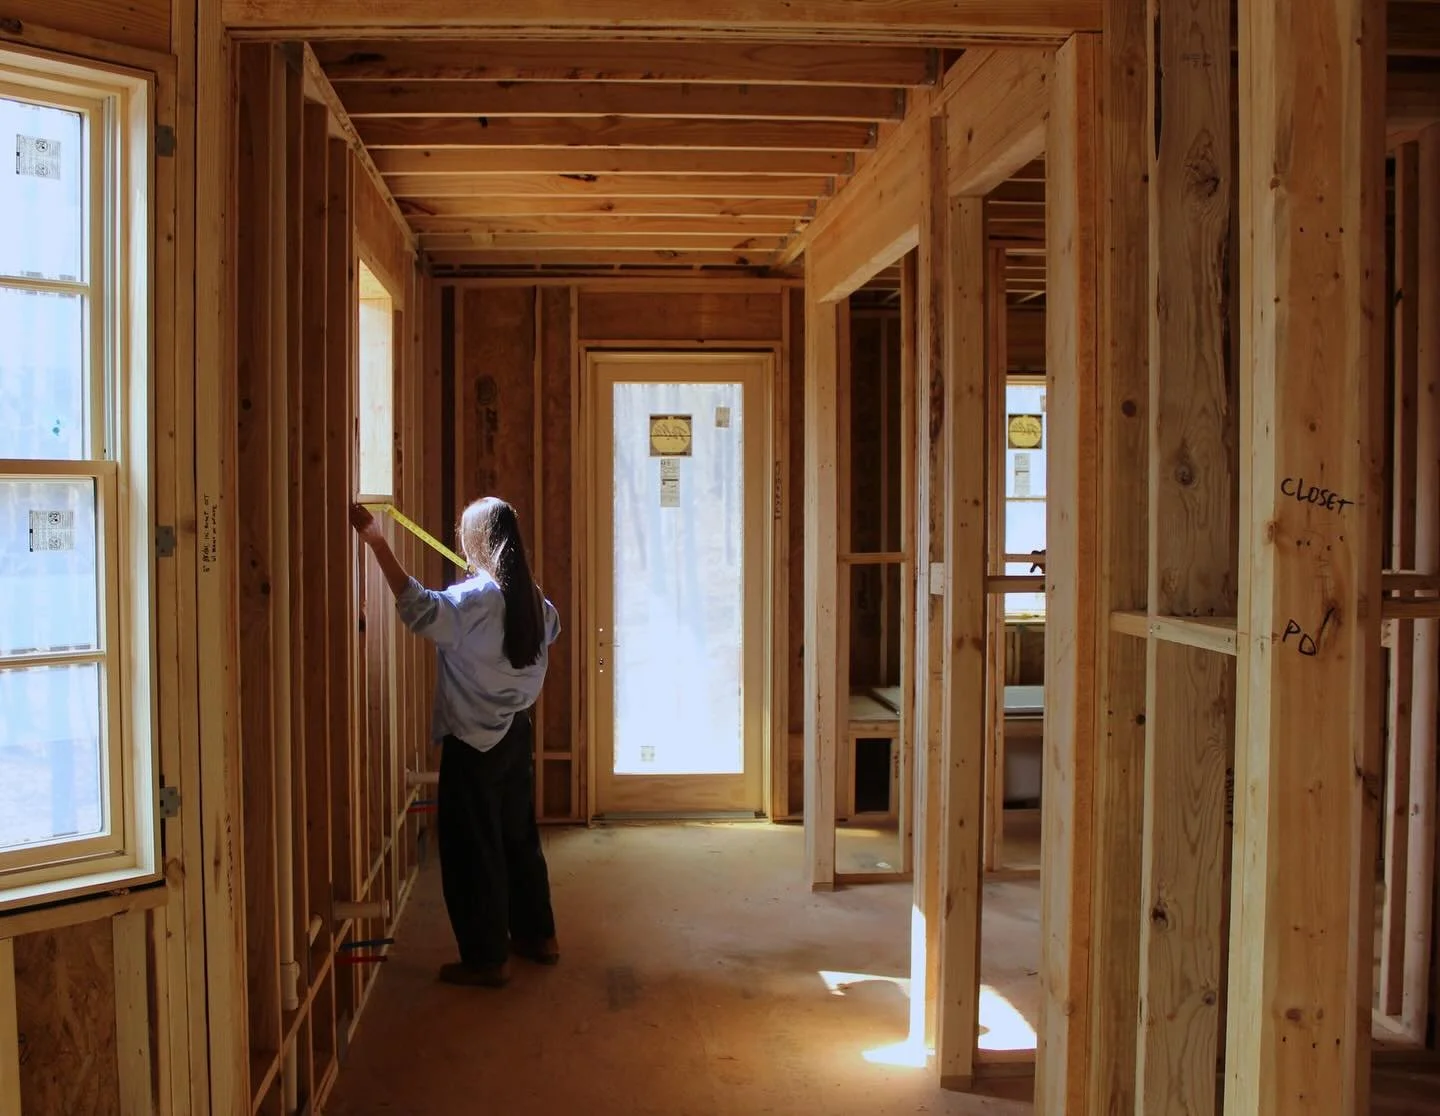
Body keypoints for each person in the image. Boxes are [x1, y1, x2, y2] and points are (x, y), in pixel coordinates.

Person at [351, 496, 561, 988]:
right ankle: (539, 937)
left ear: (475, 542)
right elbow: (550, 629)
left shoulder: (475, 600)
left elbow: (420, 610)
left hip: (473, 742)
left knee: (472, 849)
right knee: (518, 838)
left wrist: (377, 543)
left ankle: (487, 960)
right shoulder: (531, 597)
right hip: (516, 734)